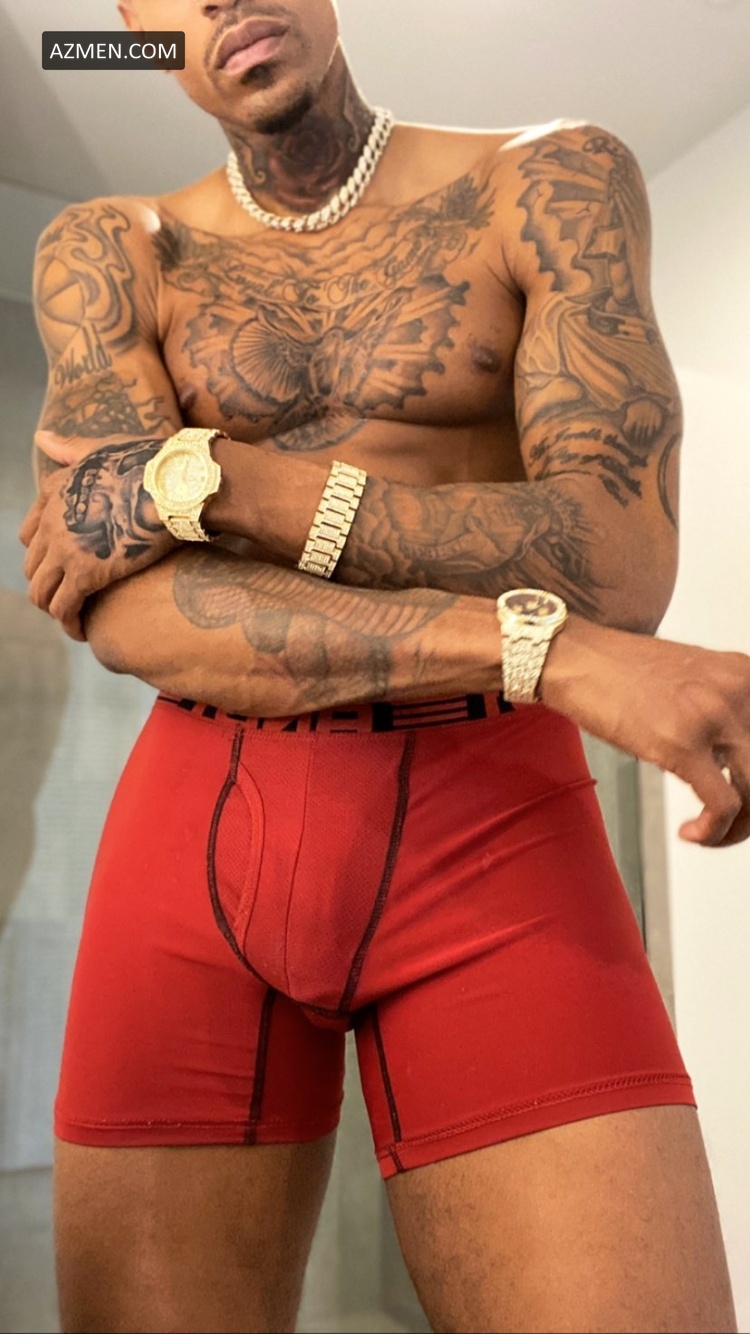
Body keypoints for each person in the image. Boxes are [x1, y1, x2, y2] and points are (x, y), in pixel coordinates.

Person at [18, 1, 746, 1330]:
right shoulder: (111, 249)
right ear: (132, 27)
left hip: (492, 825)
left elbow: (612, 562)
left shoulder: (549, 178)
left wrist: (224, 481)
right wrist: (536, 646)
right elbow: (126, 609)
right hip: (199, 831)